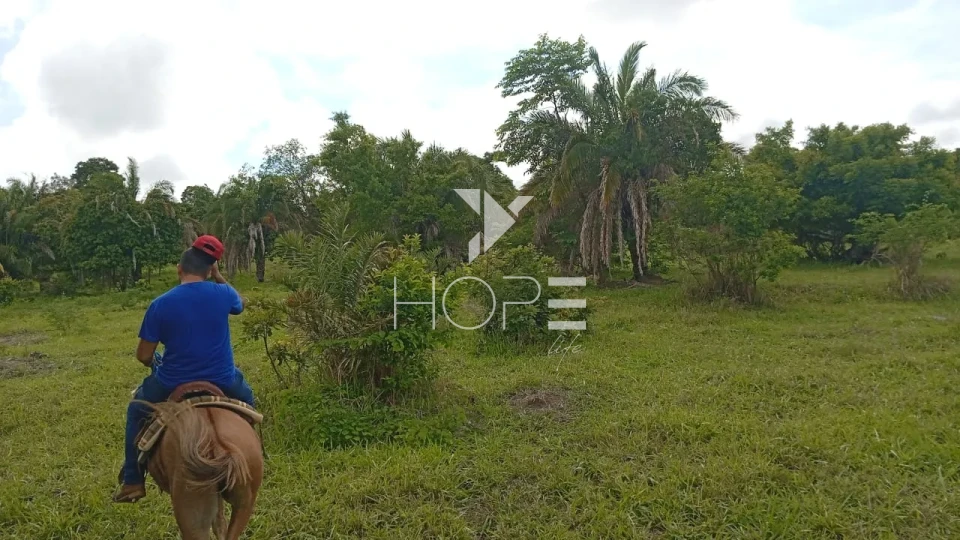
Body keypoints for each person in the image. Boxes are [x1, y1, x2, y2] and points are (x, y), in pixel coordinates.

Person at [113, 235, 256, 503]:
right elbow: (240, 303)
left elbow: (143, 355)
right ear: (210, 270)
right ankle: (255, 454)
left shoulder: (161, 304)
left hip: (172, 381)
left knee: (136, 410)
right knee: (249, 401)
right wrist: (219, 277)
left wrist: (153, 362)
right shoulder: (223, 294)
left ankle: (133, 480)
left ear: (179, 269)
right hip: (223, 378)